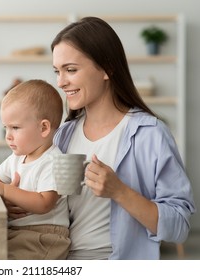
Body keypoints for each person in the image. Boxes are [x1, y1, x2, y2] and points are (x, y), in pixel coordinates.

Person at [47, 16, 196, 259]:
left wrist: (120, 192)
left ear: (107, 68)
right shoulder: (64, 134)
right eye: (57, 71)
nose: (61, 82)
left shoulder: (150, 134)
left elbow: (179, 227)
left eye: (71, 70)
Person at [0, 79, 71, 260]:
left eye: (15, 128)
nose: (8, 136)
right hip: (18, 231)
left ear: (44, 128)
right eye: (6, 128)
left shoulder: (53, 160)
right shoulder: (18, 157)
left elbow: (45, 203)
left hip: (44, 236)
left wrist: (4, 190)